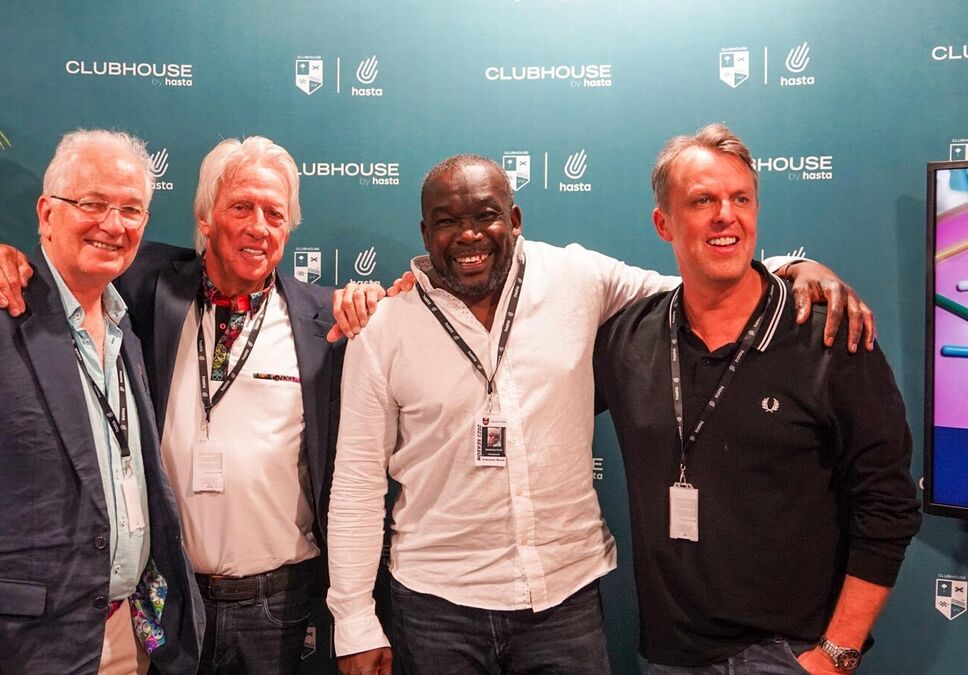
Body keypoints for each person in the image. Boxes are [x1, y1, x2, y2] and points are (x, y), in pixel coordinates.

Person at [325, 154, 873, 675]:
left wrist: (792, 266)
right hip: (434, 607)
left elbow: (694, 290)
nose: (468, 235)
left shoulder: (576, 277)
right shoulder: (383, 327)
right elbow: (355, 485)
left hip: (564, 600)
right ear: (425, 234)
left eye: (486, 216)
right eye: (447, 222)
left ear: (514, 220)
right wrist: (353, 621)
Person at [0, 135, 399, 674]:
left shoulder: (326, 320)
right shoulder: (146, 284)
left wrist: (374, 301)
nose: (259, 227)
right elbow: (60, 267)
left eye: (275, 214)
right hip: (165, 595)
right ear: (205, 218)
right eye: (241, 207)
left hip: (278, 604)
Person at [592, 124, 922, 674]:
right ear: (663, 224)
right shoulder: (628, 337)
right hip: (672, 656)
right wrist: (419, 288)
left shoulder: (829, 336)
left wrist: (836, 654)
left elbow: (887, 502)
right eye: (702, 200)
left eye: (740, 198)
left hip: (791, 653)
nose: (726, 214)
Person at [0, 129, 203, 675]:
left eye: (131, 209)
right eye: (92, 203)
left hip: (122, 639)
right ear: (46, 212)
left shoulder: (124, 329)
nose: (113, 224)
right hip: (14, 651)